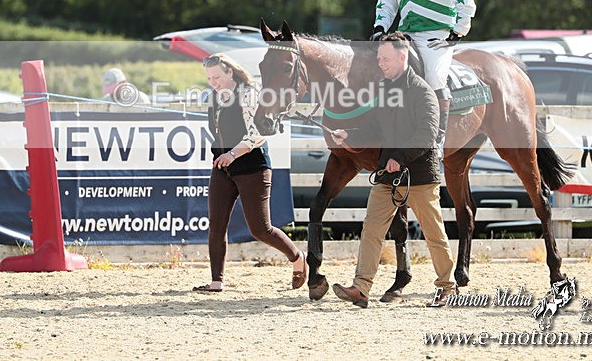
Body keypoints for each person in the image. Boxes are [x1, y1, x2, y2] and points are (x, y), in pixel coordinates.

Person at [330, 33, 455, 308]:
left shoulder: (423, 93)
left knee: (434, 233)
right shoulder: (385, 91)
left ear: (402, 57)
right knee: (372, 229)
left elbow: (427, 135)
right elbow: (375, 129)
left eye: (385, 59)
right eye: (378, 59)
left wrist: (399, 156)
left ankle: (447, 287)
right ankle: (361, 288)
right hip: (388, 175)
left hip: (420, 177)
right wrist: (349, 134)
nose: (381, 64)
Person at [193, 53, 307, 293]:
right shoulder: (215, 97)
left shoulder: (250, 94)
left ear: (229, 72)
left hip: (252, 167)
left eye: (216, 77)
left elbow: (258, 134)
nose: (213, 82)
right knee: (216, 224)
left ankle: (297, 258)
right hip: (223, 167)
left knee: (260, 229)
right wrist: (221, 155)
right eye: (209, 78)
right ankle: (216, 281)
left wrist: (232, 154)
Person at [370, 0, 477, 158]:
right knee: (378, 70)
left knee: (434, 77)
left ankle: (436, 140)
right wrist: (379, 28)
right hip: (405, 35)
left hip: (437, 36)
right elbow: (386, 4)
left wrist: (458, 30)